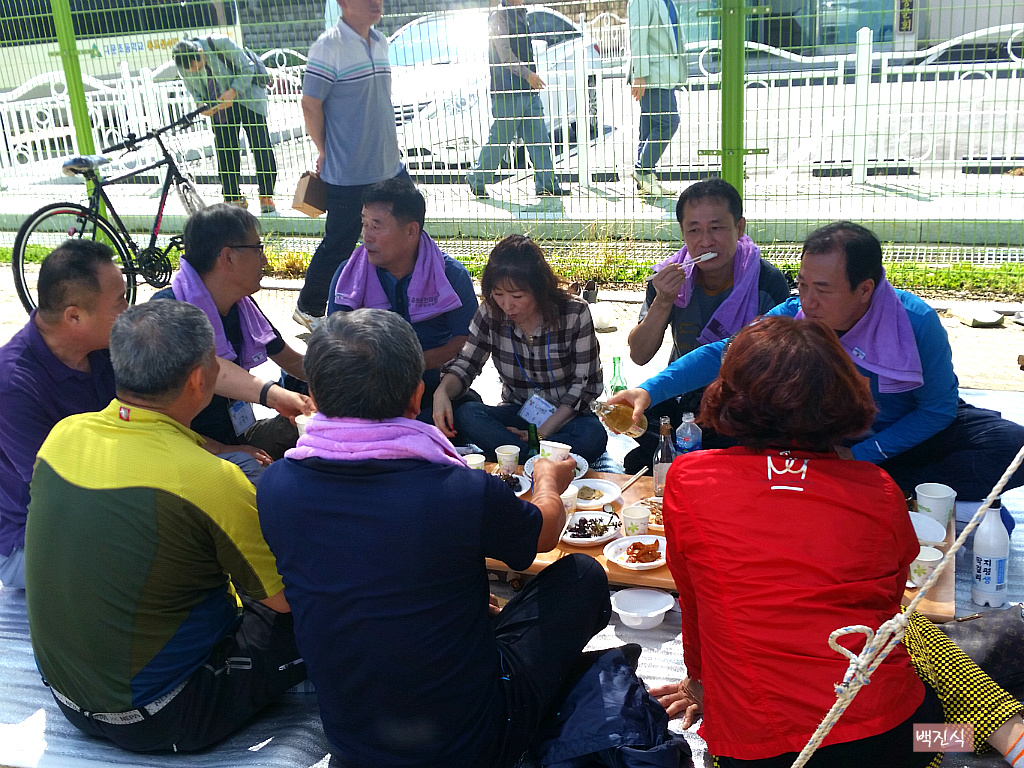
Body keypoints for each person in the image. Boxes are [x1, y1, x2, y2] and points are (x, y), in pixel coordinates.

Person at [650, 316, 1024, 767]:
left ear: (730, 396)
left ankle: (991, 735)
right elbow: (885, 600)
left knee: (901, 630)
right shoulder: (879, 488)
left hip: (759, 752)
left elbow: (695, 603)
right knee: (910, 631)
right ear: (846, 396)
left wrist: (699, 683)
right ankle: (995, 735)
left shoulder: (689, 478)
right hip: (892, 743)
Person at [257, 308, 610, 767]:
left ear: (315, 397)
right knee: (581, 576)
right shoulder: (459, 490)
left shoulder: (277, 486)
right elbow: (542, 535)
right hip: (472, 742)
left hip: (352, 741)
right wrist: (547, 481)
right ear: (416, 396)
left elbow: (360, 560)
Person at [24, 300, 306, 753]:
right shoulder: (211, 480)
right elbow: (284, 601)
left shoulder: (64, 436)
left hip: (68, 700)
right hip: (165, 714)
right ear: (198, 379)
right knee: (315, 605)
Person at [610, 221, 1024, 510]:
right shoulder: (794, 313)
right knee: (711, 444)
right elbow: (723, 352)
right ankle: (865, 484)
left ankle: (875, 481)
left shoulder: (916, 322)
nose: (808, 301)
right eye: (803, 285)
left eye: (823, 289)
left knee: (1011, 447)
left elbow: (937, 410)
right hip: (821, 437)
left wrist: (863, 455)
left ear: (865, 289)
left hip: (900, 435)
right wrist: (648, 390)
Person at [623, 178, 790, 473]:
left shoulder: (766, 282)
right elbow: (639, 355)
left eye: (717, 228)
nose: (705, 241)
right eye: (694, 230)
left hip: (740, 404)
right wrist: (663, 301)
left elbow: (776, 370)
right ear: (682, 233)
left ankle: (686, 454)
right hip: (683, 397)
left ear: (739, 228)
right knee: (635, 419)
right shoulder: (668, 279)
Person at [0, 240, 126, 589]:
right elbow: (63, 490)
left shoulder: (101, 348)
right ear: (74, 316)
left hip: (105, 503)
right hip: (32, 540)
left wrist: (214, 449)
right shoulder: (13, 384)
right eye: (119, 302)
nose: (128, 310)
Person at [153, 204, 313, 463]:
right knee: (261, 473)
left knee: (317, 424)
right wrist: (222, 450)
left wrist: (344, 381)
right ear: (228, 257)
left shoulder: (242, 306)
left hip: (238, 436)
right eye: (258, 249)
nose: (264, 260)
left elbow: (293, 362)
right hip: (193, 450)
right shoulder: (167, 314)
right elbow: (157, 421)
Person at [433, 235, 607, 462]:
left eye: (517, 296)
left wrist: (539, 435)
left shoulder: (574, 313)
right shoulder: (490, 313)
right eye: (498, 294)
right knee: (467, 413)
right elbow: (466, 363)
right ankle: (540, 459)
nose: (507, 305)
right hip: (518, 412)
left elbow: (584, 385)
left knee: (593, 435)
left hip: (565, 417)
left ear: (539, 288)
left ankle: (517, 455)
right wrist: (442, 392)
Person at [294, 0, 409, 331]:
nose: (376, 3)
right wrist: (324, 150)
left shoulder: (381, 41)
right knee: (339, 244)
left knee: (407, 231)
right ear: (343, 3)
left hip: (389, 164)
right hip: (349, 171)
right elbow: (310, 104)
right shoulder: (328, 47)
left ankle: (401, 302)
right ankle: (309, 308)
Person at [326, 178, 479, 424]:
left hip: (430, 390)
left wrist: (408, 366)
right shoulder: (348, 276)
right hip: (369, 391)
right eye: (364, 224)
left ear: (411, 231)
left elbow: (468, 341)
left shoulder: (450, 276)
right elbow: (335, 340)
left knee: (467, 415)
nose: (366, 236)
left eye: (376, 226)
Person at [465, 0, 570, 199]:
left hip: (528, 90)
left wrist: (529, 77)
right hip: (507, 92)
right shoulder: (498, 17)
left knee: (539, 138)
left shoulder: (521, 13)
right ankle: (476, 177)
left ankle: (547, 184)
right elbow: (505, 55)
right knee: (500, 140)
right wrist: (528, 74)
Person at [172, 37, 278, 214]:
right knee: (225, 149)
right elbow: (194, 90)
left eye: (197, 66)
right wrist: (200, 104)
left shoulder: (220, 43)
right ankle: (232, 197)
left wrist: (233, 91)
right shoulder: (183, 63)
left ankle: (266, 196)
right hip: (220, 105)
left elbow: (248, 67)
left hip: (249, 97)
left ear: (200, 52)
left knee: (260, 145)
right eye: (190, 70)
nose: (195, 71)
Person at [627, 0, 688, 198]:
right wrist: (639, 75)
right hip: (652, 75)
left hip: (664, 74)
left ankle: (647, 183)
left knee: (649, 127)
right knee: (668, 122)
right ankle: (642, 171)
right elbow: (638, 36)